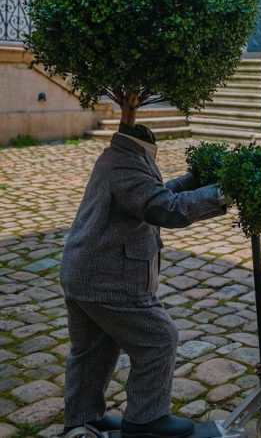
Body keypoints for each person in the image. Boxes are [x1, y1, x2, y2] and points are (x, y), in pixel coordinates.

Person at [60, 122, 228, 438]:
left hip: (84, 271)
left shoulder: (123, 153)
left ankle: (83, 418)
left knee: (93, 350)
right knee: (159, 339)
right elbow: (163, 208)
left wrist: (194, 180)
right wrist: (223, 191)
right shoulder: (125, 161)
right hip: (106, 276)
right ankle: (145, 420)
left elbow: (151, 194)